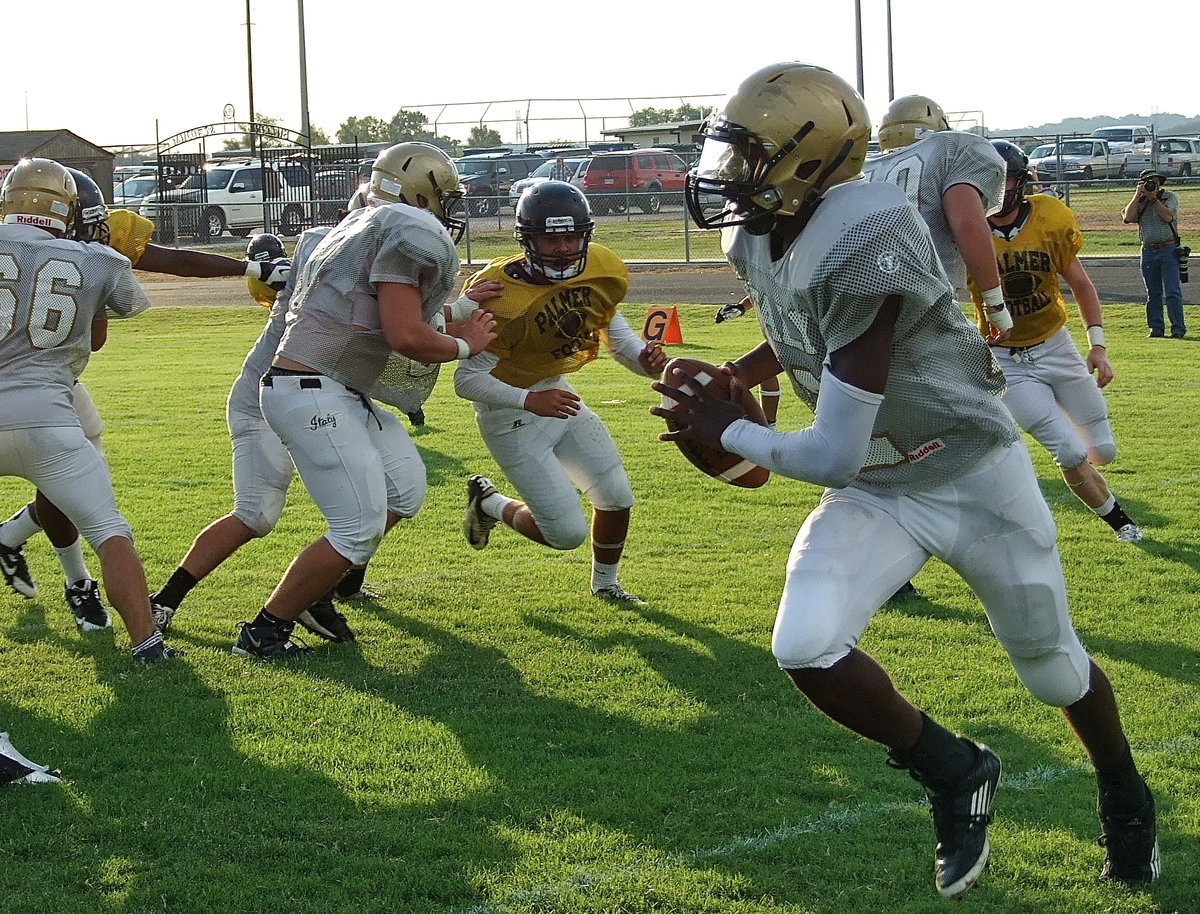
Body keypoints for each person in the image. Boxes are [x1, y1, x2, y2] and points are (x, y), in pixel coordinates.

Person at [668, 62, 1160, 898]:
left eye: (747, 156)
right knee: (805, 645)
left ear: (810, 161)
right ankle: (954, 769)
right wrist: (737, 372)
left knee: (1050, 668)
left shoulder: (868, 237)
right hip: (879, 490)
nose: (726, 176)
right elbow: (808, 335)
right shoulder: (756, 234)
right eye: (728, 152)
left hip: (969, 474)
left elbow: (831, 454)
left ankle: (1122, 784)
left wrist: (734, 429)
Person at [235, 142, 498, 659]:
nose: (448, 211)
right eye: (444, 197)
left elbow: (375, 321)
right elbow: (405, 336)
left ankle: (318, 589)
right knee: (355, 528)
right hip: (310, 391)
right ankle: (266, 630)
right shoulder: (406, 232)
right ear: (423, 196)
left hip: (330, 387)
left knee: (405, 490)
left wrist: (458, 309)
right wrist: (468, 342)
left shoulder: (360, 227)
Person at [0, 170, 290, 631]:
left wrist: (249, 268)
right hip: (46, 385)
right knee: (81, 486)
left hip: (51, 384)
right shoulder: (93, 255)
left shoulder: (88, 243)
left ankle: (22, 542)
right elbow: (98, 337)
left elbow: (168, 259)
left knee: (75, 463)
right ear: (69, 211)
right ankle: (78, 582)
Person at [456, 181, 667, 605]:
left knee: (616, 495)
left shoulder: (600, 269)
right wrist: (529, 400)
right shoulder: (499, 292)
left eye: (571, 237)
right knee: (566, 534)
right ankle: (490, 504)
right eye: (550, 238)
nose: (562, 248)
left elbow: (616, 338)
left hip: (556, 393)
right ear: (528, 239)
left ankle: (606, 585)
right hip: (509, 413)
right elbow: (465, 380)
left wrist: (645, 360)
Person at [0, 158, 177, 662]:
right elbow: (97, 336)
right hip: (49, 417)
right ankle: (147, 643)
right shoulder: (96, 261)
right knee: (109, 530)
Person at [863, 95, 1012, 602]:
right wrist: (994, 303)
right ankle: (1002, 545)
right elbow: (969, 222)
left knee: (870, 438)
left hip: (859, 320)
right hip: (922, 321)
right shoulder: (954, 152)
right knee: (979, 429)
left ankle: (881, 560)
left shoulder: (864, 172)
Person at [972, 142, 1143, 543]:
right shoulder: (965, 227)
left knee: (1103, 450)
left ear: (1021, 180)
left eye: (1006, 176)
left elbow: (1080, 284)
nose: (996, 186)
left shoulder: (1050, 216)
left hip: (1056, 345)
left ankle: (1065, 428)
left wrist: (1097, 346)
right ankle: (1122, 524)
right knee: (1068, 451)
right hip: (1006, 359)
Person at [1122, 168, 1185, 338]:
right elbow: (1127, 218)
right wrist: (1138, 195)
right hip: (1148, 250)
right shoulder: (1140, 201)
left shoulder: (1168, 197)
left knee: (1172, 291)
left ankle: (1178, 329)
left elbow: (1168, 217)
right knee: (1153, 293)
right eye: (1148, 182)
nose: (1152, 185)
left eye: (1155, 183)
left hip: (1168, 249)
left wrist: (1154, 199)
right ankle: (1156, 328)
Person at [714, 296, 781, 427]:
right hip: (785, 331)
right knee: (765, 369)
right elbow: (763, 290)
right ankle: (768, 425)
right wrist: (742, 307)